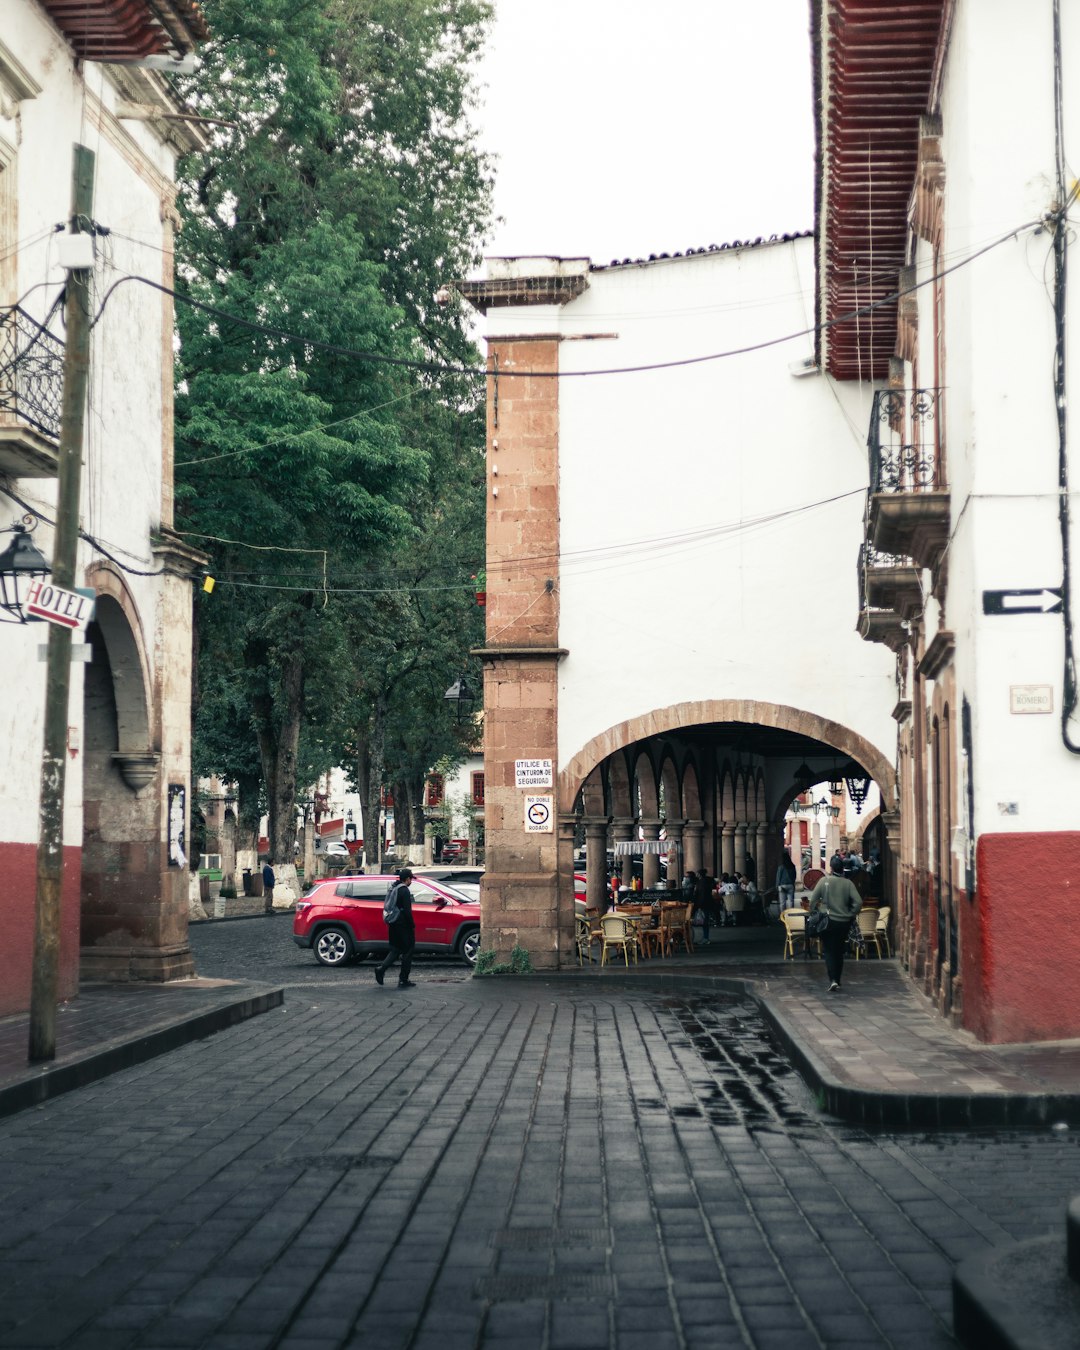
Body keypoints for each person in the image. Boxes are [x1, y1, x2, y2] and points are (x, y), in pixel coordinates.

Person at [809, 855, 863, 993]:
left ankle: (833, 979)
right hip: (843, 922)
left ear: (831, 868)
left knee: (829, 951)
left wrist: (815, 911)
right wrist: (850, 913)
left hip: (828, 921)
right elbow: (858, 902)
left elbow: (813, 900)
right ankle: (837, 979)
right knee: (839, 951)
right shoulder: (848, 883)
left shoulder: (823, 881)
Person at [375, 867, 417, 988]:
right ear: (407, 879)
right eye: (411, 879)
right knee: (408, 951)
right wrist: (412, 925)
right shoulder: (404, 891)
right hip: (403, 925)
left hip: (392, 923)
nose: (411, 881)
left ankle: (381, 969)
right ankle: (403, 979)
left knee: (395, 950)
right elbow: (407, 911)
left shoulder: (394, 887)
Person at [695, 867, 718, 944]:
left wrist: (698, 904)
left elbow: (700, 894)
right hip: (708, 902)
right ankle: (706, 937)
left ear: (699, 874)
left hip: (703, 903)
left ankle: (705, 938)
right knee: (705, 920)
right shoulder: (709, 881)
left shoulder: (701, 882)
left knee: (704, 921)